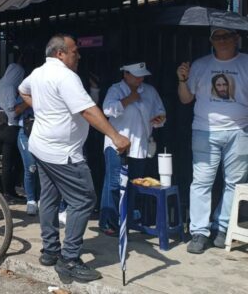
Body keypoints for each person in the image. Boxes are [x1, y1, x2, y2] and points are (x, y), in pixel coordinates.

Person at [19, 34, 130, 283]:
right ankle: (69, 259)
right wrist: (115, 136)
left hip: (41, 146)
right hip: (62, 152)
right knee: (83, 199)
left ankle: (50, 251)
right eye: (74, 51)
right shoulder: (66, 76)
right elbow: (88, 110)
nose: (78, 56)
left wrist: (44, 110)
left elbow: (22, 90)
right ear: (60, 53)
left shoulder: (38, 72)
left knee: (48, 197)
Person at [178, 27, 248, 253]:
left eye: (227, 36)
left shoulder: (246, 63)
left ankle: (222, 226)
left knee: (234, 183)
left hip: (240, 130)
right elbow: (186, 98)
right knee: (201, 182)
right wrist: (182, 80)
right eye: (218, 37)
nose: (223, 41)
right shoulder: (200, 65)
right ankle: (199, 231)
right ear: (211, 40)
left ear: (236, 38)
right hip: (204, 130)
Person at [99, 62, 166, 236]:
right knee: (114, 183)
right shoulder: (116, 90)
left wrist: (159, 119)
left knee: (134, 183)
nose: (140, 79)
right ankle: (109, 222)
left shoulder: (150, 91)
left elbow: (160, 111)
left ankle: (126, 220)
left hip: (140, 145)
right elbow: (107, 110)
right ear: (126, 75)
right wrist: (128, 100)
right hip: (116, 143)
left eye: (142, 76)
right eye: (136, 75)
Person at [0, 63, 29, 202]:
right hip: (10, 127)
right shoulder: (9, 87)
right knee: (9, 163)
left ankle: (9, 191)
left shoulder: (0, 84)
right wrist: (27, 102)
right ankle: (8, 192)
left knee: (7, 161)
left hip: (2, 127)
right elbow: (13, 111)